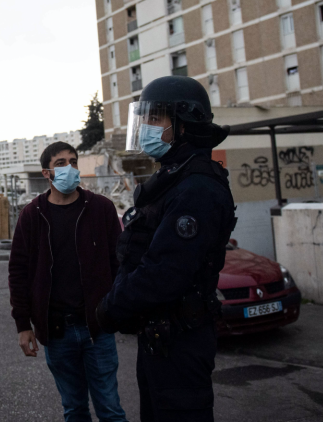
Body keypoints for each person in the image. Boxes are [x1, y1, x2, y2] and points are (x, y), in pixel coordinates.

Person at [95, 76, 237, 422]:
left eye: (155, 119)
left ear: (184, 125)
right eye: (144, 118)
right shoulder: (175, 178)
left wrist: (109, 310)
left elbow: (165, 272)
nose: (145, 126)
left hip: (181, 342)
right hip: (161, 338)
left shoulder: (196, 188)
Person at [7, 142, 127, 422]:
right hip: (57, 330)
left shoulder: (101, 209)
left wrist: (116, 310)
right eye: (61, 163)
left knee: (110, 409)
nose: (70, 168)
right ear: (46, 173)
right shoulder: (32, 215)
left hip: (97, 329)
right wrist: (23, 325)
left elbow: (119, 264)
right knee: (74, 409)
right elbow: (18, 272)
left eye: (74, 161)